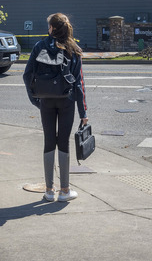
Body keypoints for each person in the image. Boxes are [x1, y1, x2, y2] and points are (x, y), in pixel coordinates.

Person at [23, 13, 87, 202]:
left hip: (46, 100)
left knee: (49, 140)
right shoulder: (73, 49)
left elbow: (27, 75)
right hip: (66, 101)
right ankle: (65, 190)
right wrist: (83, 112)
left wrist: (36, 99)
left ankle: (49, 190)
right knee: (64, 142)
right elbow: (79, 83)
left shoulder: (39, 46)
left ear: (52, 28)